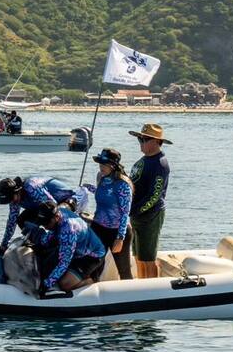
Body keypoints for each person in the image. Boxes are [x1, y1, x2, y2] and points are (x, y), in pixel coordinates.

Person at [25, 201, 107, 293]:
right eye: (42, 223)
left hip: (91, 256)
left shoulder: (68, 230)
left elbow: (64, 262)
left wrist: (46, 285)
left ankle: (92, 280)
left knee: (64, 284)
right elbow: (50, 234)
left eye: (46, 223)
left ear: (56, 218)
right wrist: (39, 244)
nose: (45, 226)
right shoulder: (58, 212)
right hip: (75, 249)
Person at [128, 123, 172, 278]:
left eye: (144, 139)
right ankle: (141, 284)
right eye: (140, 139)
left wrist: (135, 210)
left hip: (150, 215)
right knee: (138, 256)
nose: (141, 143)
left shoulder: (160, 163)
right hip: (136, 215)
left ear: (156, 142)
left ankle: (152, 287)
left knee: (148, 258)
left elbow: (155, 195)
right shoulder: (143, 160)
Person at [86, 148, 134, 280]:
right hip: (98, 228)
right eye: (100, 163)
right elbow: (104, 194)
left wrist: (120, 238)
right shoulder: (100, 176)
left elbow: (125, 213)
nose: (100, 166)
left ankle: (130, 295)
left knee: (123, 270)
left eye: (104, 164)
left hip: (116, 231)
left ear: (113, 166)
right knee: (93, 267)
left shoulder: (123, 184)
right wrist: (87, 188)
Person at [0, 175, 78, 249]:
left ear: (17, 191)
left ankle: (56, 241)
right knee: (22, 220)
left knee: (48, 217)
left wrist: (42, 228)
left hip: (65, 201)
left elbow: (52, 207)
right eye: (8, 201)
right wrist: (4, 243)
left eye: (11, 199)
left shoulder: (32, 187)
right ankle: (39, 242)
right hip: (45, 206)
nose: (11, 202)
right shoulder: (14, 200)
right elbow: (11, 222)